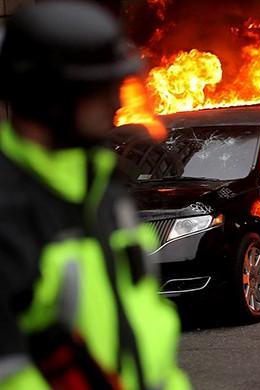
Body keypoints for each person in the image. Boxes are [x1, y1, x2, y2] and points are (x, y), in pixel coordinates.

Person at [0, 2, 189, 389]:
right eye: (101, 89)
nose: (117, 103)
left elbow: (145, 326)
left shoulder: (103, 190)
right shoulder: (9, 208)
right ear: (50, 96)